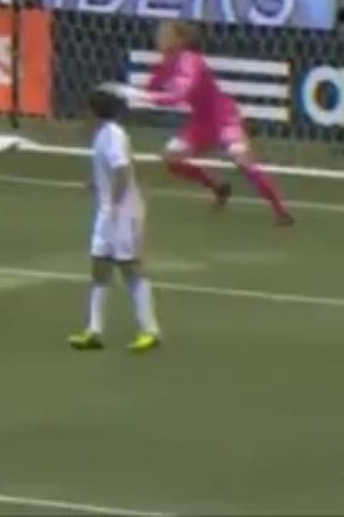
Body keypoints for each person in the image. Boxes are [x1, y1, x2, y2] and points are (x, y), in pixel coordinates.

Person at [119, 21, 294, 226]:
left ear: (180, 40)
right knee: (171, 158)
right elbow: (151, 91)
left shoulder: (189, 61)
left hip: (224, 118)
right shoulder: (164, 65)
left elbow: (176, 96)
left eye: (165, 33)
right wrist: (134, 94)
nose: (159, 37)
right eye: (159, 33)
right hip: (202, 121)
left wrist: (140, 95)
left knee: (242, 160)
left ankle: (281, 211)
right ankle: (217, 187)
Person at [68, 87, 160, 353]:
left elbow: (123, 169)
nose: (83, 116)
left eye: (86, 111)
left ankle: (150, 329)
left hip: (123, 213)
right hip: (109, 211)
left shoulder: (113, 136)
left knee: (130, 268)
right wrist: (96, 183)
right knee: (100, 267)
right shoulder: (102, 136)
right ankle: (94, 330)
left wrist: (115, 205)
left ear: (95, 113)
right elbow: (112, 170)